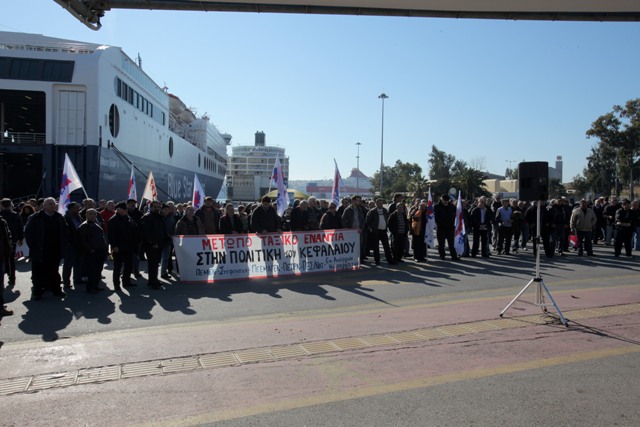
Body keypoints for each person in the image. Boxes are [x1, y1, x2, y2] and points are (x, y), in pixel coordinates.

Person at [24, 197, 68, 300]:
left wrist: (64, 243)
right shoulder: (35, 217)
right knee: (38, 272)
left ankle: (56, 289)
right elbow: (28, 232)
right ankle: (38, 292)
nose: (52, 205)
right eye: (49, 204)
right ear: (43, 205)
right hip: (40, 250)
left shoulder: (59, 217)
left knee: (54, 271)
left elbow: (65, 231)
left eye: (53, 204)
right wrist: (33, 246)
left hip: (55, 250)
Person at [78, 208, 108, 294]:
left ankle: (96, 286)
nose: (93, 216)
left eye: (94, 214)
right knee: (92, 271)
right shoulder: (84, 226)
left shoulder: (97, 224)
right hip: (91, 252)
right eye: (90, 214)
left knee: (98, 270)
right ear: (86, 215)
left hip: (100, 251)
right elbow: (83, 240)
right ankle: (90, 287)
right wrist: (90, 250)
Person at [108, 202, 138, 290]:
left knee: (128, 265)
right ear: (119, 210)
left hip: (129, 246)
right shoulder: (113, 220)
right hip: (119, 247)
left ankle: (126, 281)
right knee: (117, 267)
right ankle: (116, 284)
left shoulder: (128, 218)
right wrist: (114, 246)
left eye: (126, 209)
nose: (126, 211)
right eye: (124, 209)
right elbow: (111, 235)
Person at [139, 200, 166, 289]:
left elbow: (162, 230)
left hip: (159, 244)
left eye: (158, 207)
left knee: (156, 263)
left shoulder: (160, 217)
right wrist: (153, 243)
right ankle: (152, 282)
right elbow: (146, 233)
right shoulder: (147, 217)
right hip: (151, 245)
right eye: (155, 207)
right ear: (151, 207)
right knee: (152, 263)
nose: (157, 208)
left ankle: (155, 279)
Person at [365, 198, 395, 266]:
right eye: (379, 203)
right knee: (376, 247)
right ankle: (377, 261)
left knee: (386, 247)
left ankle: (390, 260)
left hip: (383, 231)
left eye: (381, 203)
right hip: (375, 232)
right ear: (376, 203)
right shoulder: (372, 211)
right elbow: (368, 221)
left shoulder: (384, 210)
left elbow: (387, 218)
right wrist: (373, 228)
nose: (380, 204)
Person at [0, 198, 23, 286]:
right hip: (12, 240)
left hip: (2, 241)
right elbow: (19, 227)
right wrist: (20, 238)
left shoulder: (0, 215)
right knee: (11, 259)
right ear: (11, 205)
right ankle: (12, 278)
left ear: (1, 205)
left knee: (2, 259)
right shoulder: (16, 215)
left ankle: (5, 275)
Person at [62, 202, 84, 288]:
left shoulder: (78, 217)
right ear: (71, 208)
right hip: (70, 244)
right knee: (68, 264)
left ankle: (77, 279)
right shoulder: (65, 218)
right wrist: (68, 242)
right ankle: (66, 281)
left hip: (79, 243)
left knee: (78, 262)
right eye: (76, 207)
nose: (78, 209)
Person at [342, 195, 367, 261]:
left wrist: (361, 228)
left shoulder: (360, 209)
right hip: (351, 232)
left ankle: (360, 259)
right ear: (353, 201)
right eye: (358, 200)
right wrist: (347, 229)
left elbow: (363, 220)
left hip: (359, 231)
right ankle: (352, 260)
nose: (359, 202)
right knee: (351, 246)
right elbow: (343, 220)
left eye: (360, 200)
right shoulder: (348, 209)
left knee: (360, 246)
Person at [434, 194, 458, 260]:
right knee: (441, 243)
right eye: (444, 201)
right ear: (441, 199)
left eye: (447, 201)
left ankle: (454, 256)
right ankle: (442, 255)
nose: (446, 202)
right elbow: (434, 217)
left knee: (451, 244)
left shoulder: (452, 206)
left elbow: (456, 215)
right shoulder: (436, 206)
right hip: (440, 227)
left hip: (450, 227)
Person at [126, 198, 143, 279]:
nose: (133, 204)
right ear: (127, 204)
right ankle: (126, 272)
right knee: (126, 257)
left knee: (136, 257)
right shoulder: (125, 213)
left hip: (136, 238)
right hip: (126, 239)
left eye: (134, 203)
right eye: (131, 203)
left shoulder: (139, 214)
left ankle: (136, 271)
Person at [0, 215, 13, 315]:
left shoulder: (2, 221)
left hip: (2, 256)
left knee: (1, 284)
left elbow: (7, 237)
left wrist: (9, 250)